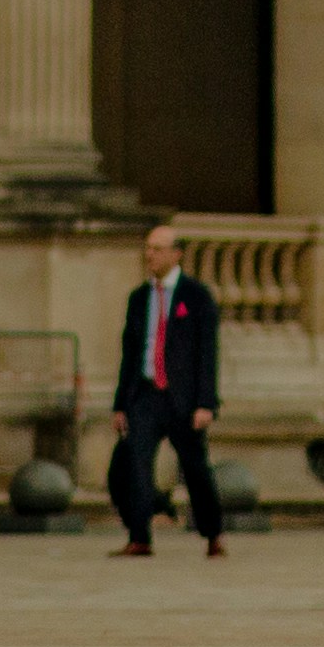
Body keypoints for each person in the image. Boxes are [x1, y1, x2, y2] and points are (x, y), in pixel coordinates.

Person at [107, 223, 224, 559]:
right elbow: (129, 353)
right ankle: (139, 536)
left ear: (176, 253)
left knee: (196, 468)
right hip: (146, 395)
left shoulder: (196, 296)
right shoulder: (138, 298)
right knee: (135, 463)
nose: (150, 255)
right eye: (147, 248)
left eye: (157, 249)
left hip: (184, 400)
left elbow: (207, 353)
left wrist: (206, 403)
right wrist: (120, 405)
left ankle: (213, 533)